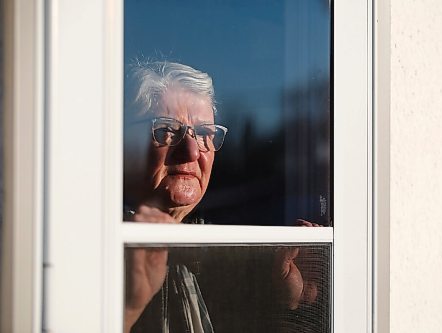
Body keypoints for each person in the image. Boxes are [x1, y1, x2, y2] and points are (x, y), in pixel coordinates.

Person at [123, 60, 325, 333]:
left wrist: (282, 301)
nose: (193, 152)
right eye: (168, 130)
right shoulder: (96, 246)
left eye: (205, 133)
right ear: (121, 140)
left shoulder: (211, 254)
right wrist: (127, 307)